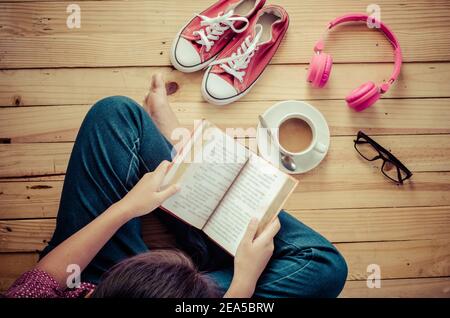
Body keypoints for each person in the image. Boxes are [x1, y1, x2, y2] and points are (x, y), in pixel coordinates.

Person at [5, 74, 347, 298]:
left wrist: (127, 208)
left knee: (115, 114)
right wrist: (243, 279)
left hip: (88, 276)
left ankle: (188, 175)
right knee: (323, 267)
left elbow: (44, 277)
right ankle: (204, 199)